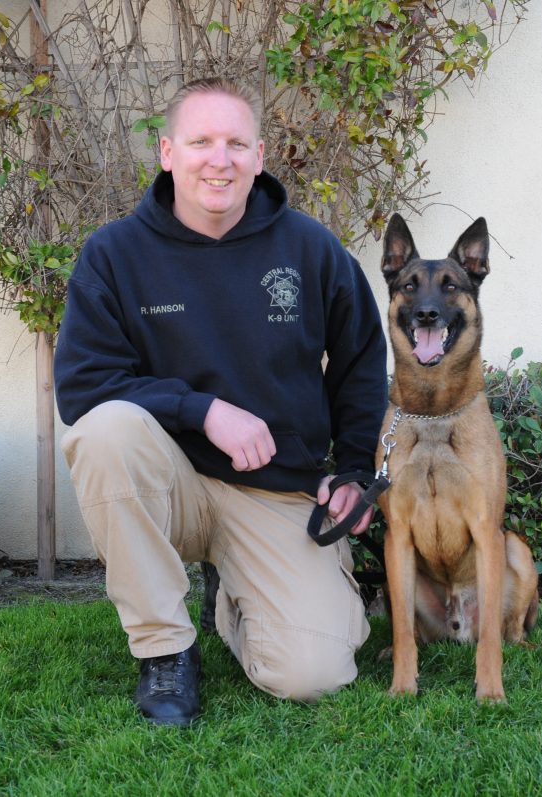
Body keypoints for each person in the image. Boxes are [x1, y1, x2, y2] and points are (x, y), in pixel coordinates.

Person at [54, 76, 388, 727]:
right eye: (201, 141)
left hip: (276, 490)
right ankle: (166, 651)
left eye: (236, 143)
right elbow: (83, 385)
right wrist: (201, 409)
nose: (220, 159)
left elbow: (361, 363)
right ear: (167, 152)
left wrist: (351, 472)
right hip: (170, 484)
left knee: (312, 675)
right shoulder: (114, 256)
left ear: (259, 156)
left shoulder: (310, 248)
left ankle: (233, 599)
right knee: (105, 432)